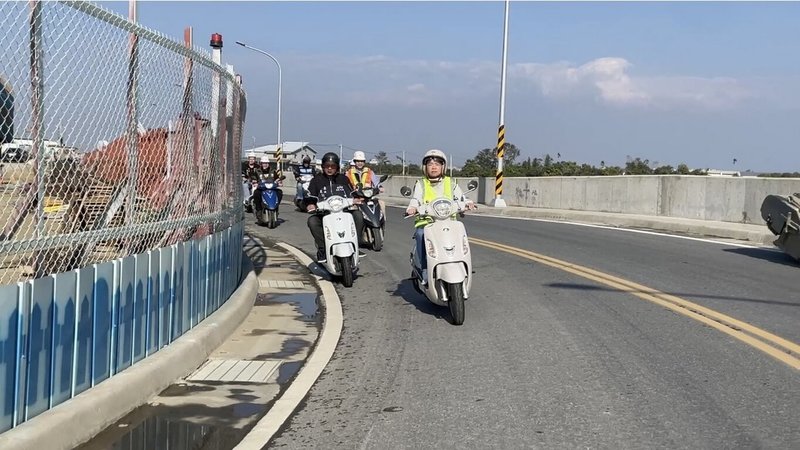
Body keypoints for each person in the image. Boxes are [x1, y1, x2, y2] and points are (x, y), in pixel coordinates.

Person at [404, 149, 476, 284]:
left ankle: (463, 264)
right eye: (430, 164)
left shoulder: (451, 182)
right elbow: (416, 199)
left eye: (437, 164)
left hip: (449, 221)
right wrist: (412, 208)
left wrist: (468, 203)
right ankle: (425, 269)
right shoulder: (421, 184)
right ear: (425, 167)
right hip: (427, 222)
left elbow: (461, 197)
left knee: (461, 233)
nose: (434, 167)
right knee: (420, 235)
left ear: (443, 167)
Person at [306, 152, 366, 262]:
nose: (329, 169)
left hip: (344, 211)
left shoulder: (343, 179)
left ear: (337, 167)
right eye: (327, 166)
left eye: (332, 166)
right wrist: (310, 204)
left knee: (358, 215)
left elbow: (352, 192)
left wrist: (357, 199)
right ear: (323, 167)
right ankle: (322, 248)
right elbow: (311, 196)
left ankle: (355, 244)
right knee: (312, 221)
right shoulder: (316, 180)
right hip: (324, 213)